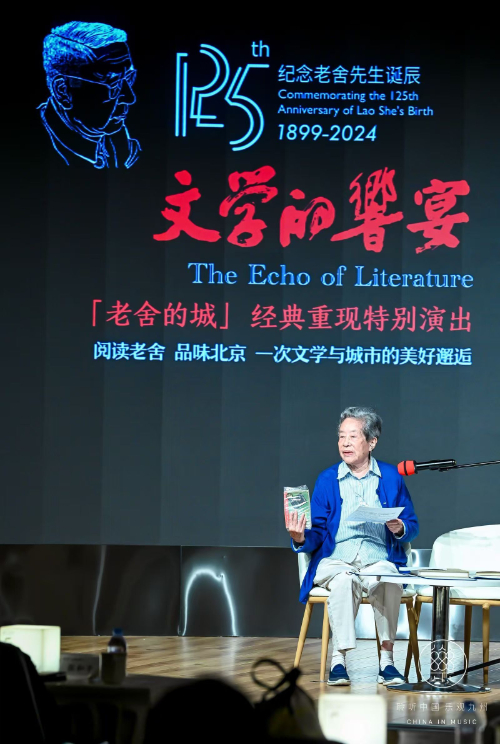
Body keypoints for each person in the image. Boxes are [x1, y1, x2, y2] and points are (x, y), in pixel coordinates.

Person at [287, 406, 418, 686]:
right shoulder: (327, 479)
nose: (345, 443)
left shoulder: (391, 476)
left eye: (353, 436)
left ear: (371, 442)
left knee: (387, 578)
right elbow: (317, 531)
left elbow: (412, 525)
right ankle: (339, 659)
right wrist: (300, 538)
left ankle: (387, 662)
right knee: (345, 580)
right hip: (336, 559)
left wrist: (400, 527)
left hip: (378, 557)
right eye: (341, 436)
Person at [39, 22, 140, 168]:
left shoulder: (124, 146)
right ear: (62, 91)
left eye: (129, 78)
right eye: (113, 83)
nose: (130, 98)